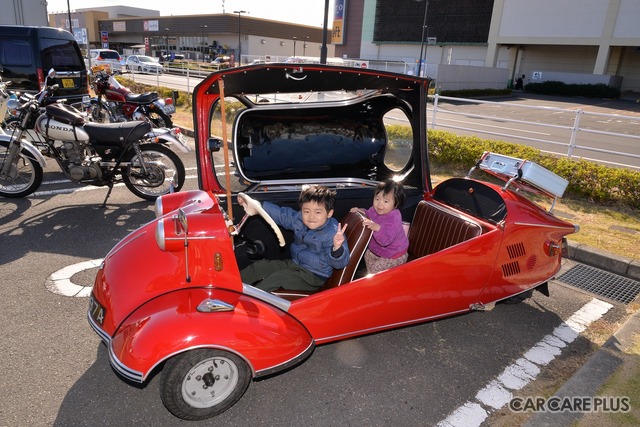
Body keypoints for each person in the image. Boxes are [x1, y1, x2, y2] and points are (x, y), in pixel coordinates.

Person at [239, 185, 349, 292]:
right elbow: (282, 215)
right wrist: (258, 206)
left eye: (318, 212)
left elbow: (339, 264)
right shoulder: (300, 219)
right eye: (306, 211)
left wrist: (337, 248)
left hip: (313, 276)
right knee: (261, 266)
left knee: (277, 278)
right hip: (295, 264)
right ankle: (231, 286)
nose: (311, 216)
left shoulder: (333, 233)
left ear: (329, 213)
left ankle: (250, 304)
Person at [351, 179, 409, 274]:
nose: (379, 204)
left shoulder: (394, 218)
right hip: (380, 250)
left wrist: (376, 228)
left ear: (396, 204)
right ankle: (375, 277)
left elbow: (385, 240)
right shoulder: (375, 210)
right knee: (368, 255)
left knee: (376, 268)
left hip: (395, 254)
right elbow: (368, 213)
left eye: (386, 201)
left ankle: (378, 281)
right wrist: (360, 210)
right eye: (377, 199)